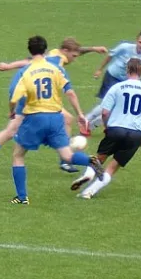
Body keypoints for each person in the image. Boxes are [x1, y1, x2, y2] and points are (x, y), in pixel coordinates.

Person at [0, 39, 108, 173]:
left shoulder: (56, 53)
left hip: (28, 92)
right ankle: (66, 159)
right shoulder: (56, 62)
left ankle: (65, 159)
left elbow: (74, 51)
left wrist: (93, 48)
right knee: (13, 133)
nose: (74, 59)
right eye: (74, 56)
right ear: (65, 51)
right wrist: (9, 66)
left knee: (66, 119)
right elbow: (29, 62)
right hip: (31, 96)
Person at [8, 35, 104, 204]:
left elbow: (14, 99)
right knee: (67, 155)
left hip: (35, 118)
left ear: (30, 51)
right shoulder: (56, 69)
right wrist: (80, 114)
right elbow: (70, 93)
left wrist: (12, 113)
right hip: (56, 118)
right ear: (46, 51)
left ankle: (22, 197)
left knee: (18, 155)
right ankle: (90, 160)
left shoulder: (26, 71)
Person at [71, 58, 141, 199]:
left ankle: (87, 175)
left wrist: (107, 126)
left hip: (116, 129)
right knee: (112, 167)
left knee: (99, 159)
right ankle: (88, 192)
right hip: (136, 134)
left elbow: (104, 112)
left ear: (127, 70)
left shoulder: (117, 87)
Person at [82, 31, 141, 136]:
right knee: (106, 105)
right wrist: (100, 69)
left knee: (115, 108)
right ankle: (86, 120)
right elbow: (110, 55)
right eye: (140, 42)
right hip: (112, 77)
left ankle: (91, 125)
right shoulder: (125, 47)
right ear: (136, 41)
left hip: (126, 82)